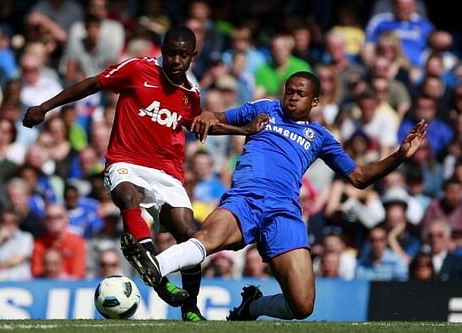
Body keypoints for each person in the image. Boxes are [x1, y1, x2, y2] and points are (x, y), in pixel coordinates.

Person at [123, 71, 427, 320]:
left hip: (284, 212)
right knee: (208, 237)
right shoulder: (264, 108)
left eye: (300, 94)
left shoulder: (320, 137)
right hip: (245, 198)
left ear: (315, 100)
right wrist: (221, 122)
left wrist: (399, 155)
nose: (292, 97)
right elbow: (212, 118)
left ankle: (251, 306)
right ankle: (154, 265)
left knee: (303, 305)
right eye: (289, 91)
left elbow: (358, 178)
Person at [22, 26, 263, 321]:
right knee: (127, 195)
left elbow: (199, 125)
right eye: (171, 53)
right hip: (126, 160)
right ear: (162, 51)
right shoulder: (137, 69)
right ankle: (157, 277)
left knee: (189, 235)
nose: (176, 60)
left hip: (167, 170)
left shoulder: (191, 93)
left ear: (193, 57)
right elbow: (92, 84)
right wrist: (46, 107)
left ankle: (189, 306)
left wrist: (244, 130)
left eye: (182, 55)